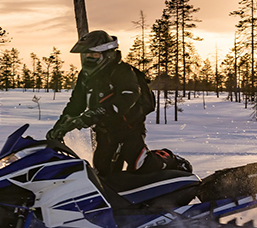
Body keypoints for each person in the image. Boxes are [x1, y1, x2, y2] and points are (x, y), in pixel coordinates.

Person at [46, 30, 190, 176]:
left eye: (94, 55)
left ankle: (170, 159)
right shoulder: (85, 76)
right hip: (103, 131)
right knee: (102, 172)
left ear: (107, 54)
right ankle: (123, 197)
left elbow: (128, 97)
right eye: (86, 55)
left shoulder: (122, 71)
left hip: (129, 128)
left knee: (140, 165)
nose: (88, 58)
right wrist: (59, 128)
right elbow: (75, 105)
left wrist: (93, 114)